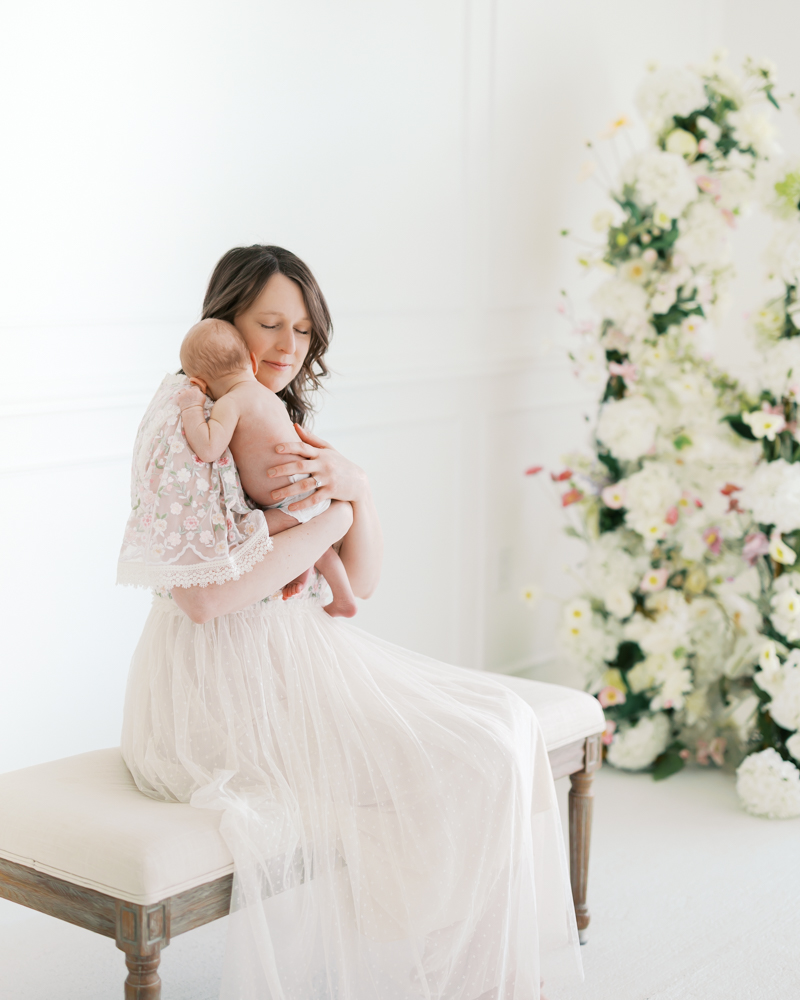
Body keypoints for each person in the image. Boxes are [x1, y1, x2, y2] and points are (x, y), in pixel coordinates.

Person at [120, 245, 582, 1000]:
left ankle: (462, 977)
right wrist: (327, 520)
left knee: (496, 734)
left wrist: (357, 489)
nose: (285, 347)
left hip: (289, 655)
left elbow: (357, 584)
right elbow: (203, 600)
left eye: (302, 332)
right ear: (224, 320)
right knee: (468, 755)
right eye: (269, 323)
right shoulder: (189, 413)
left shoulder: (273, 418)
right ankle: (449, 974)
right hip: (211, 690)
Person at [174, 317, 356, 615]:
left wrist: (191, 407)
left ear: (200, 383)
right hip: (308, 488)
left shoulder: (230, 402)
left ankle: (310, 574)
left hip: (290, 501)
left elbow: (208, 448)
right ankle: (342, 595)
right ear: (253, 362)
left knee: (246, 536)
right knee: (314, 539)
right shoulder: (269, 397)